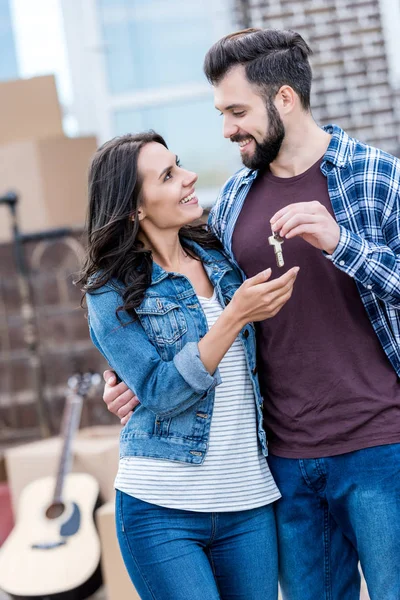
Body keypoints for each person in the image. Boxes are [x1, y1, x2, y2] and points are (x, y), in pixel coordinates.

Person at [102, 28, 400, 600]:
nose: (226, 129)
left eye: (237, 111)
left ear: (284, 99)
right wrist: (131, 376)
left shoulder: (378, 177)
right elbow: (188, 304)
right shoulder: (232, 201)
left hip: (380, 448)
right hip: (283, 462)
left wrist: (342, 243)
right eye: (221, 112)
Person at [79, 131, 300, 600]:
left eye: (178, 164)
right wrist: (233, 315)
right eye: (168, 175)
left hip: (248, 502)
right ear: (135, 207)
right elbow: (159, 391)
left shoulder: (221, 254)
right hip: (161, 509)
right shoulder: (108, 291)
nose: (189, 176)